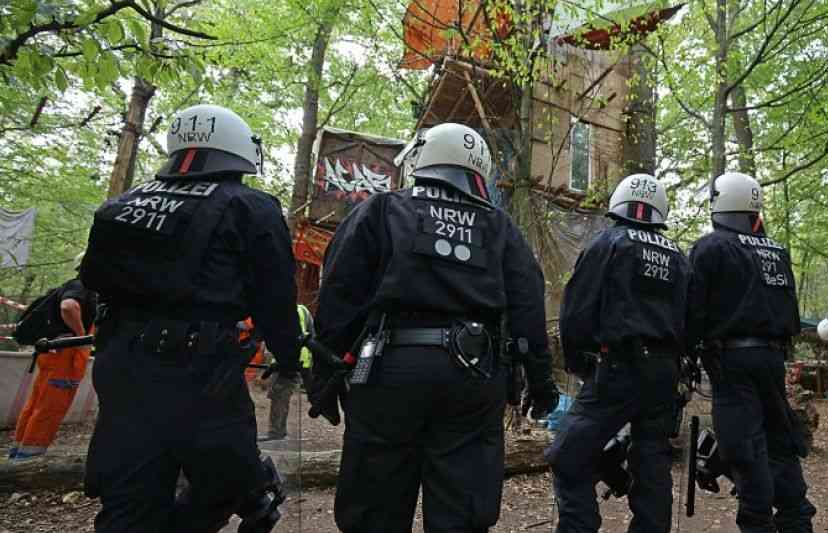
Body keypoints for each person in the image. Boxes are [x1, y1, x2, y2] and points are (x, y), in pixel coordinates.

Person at [310, 122, 559, 532]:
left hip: (388, 372)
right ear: (479, 171)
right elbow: (528, 306)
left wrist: (326, 372)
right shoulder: (500, 228)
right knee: (461, 514)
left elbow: (340, 290)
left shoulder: (382, 209)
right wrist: (540, 382)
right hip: (473, 379)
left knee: (375, 509)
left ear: (422, 160)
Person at [79, 104, 301, 532]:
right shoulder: (249, 206)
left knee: (128, 497)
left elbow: (92, 280)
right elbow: (275, 296)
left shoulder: (118, 206)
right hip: (199, 373)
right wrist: (290, 357)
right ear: (237, 151)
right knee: (230, 483)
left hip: (121, 368)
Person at [545, 174, 688, 533]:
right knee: (652, 461)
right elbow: (692, 317)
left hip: (618, 369)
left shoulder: (607, 243)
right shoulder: (679, 257)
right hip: (664, 373)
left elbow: (577, 310)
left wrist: (580, 364)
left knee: (567, 456)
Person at [687, 172, 815, 533]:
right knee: (778, 439)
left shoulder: (710, 248)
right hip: (772, 359)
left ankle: (757, 522)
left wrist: (688, 353)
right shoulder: (777, 251)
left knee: (743, 448)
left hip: (732, 363)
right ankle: (796, 518)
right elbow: (789, 313)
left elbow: (692, 310)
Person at [9, 253, 97, 462]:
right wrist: (81, 336)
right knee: (50, 406)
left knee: (37, 403)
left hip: (54, 353)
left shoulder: (73, 285)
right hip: (64, 356)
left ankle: (20, 451)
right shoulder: (81, 287)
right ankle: (29, 459)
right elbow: (68, 307)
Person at [260, 303, 315, 441]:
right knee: (280, 395)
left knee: (280, 396)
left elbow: (274, 339)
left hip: (288, 361)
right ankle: (278, 430)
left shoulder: (277, 311)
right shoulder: (302, 310)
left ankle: (276, 432)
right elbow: (312, 335)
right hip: (298, 360)